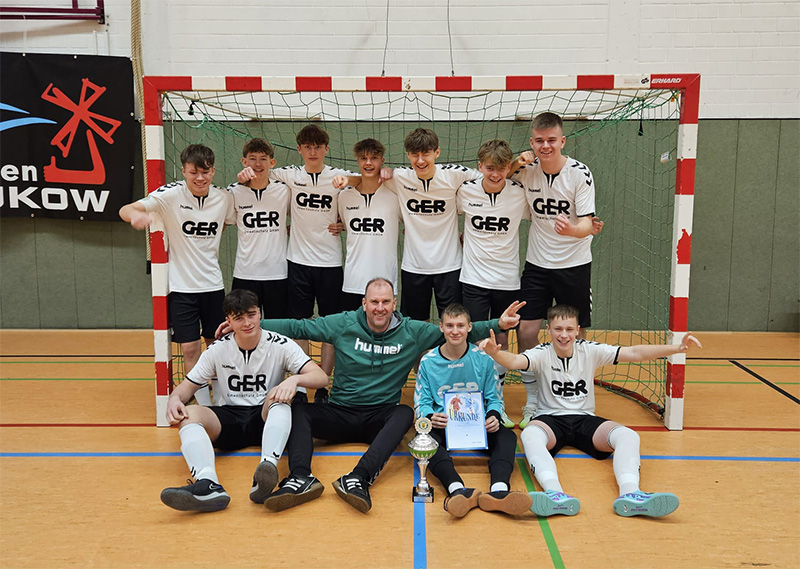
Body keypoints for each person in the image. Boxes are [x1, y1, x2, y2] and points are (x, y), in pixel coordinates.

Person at [234, 278, 523, 513]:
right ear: (364, 303)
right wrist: (252, 326)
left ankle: (358, 479)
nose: (380, 308)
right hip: (339, 411)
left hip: (380, 416)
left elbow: (458, 330)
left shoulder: (412, 331)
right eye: (374, 302)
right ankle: (300, 477)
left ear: (394, 303)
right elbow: (299, 326)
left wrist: (498, 324)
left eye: (386, 302)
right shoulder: (343, 323)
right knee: (298, 406)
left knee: (405, 413)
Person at [479, 304, 701, 518]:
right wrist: (496, 354)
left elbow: (634, 352)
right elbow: (515, 361)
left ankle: (631, 494)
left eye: (569, 329)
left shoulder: (589, 350)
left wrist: (676, 349)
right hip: (550, 420)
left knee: (628, 436)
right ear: (548, 330)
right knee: (530, 434)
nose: (563, 335)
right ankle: (554, 493)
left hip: (585, 419)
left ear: (577, 330)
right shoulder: (541, 353)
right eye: (558, 329)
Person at [159, 289, 328, 512]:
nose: (247, 323)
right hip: (230, 418)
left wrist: (294, 380)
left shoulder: (280, 344)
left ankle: (267, 468)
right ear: (228, 321)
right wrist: (174, 399)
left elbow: (321, 377)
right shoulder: (217, 349)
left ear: (259, 314)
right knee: (189, 416)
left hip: (266, 418)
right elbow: (187, 387)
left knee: (280, 396)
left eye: (251, 315)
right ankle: (207, 484)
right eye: (238, 318)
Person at [238, 124, 350, 401]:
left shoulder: (338, 177)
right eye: (307, 147)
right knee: (299, 325)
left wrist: (344, 223)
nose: (313, 152)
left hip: (330, 263)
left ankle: (322, 384)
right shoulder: (288, 175)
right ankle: (301, 384)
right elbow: (258, 174)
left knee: (328, 326)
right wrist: (243, 176)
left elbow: (360, 187)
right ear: (299, 149)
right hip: (297, 262)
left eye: (318, 147)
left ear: (326, 149)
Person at [120, 143, 235, 406]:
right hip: (182, 289)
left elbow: (226, 223)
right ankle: (203, 404)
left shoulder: (223, 198)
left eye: (205, 172)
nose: (200, 178)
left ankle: (221, 401)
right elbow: (125, 209)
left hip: (213, 285)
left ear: (213, 171)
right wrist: (135, 216)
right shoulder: (170, 195)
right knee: (190, 348)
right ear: (184, 171)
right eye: (194, 172)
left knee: (217, 345)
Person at [509, 112, 604, 428]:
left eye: (551, 140)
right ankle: (534, 398)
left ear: (562, 141)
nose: (545, 146)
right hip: (537, 265)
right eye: (539, 141)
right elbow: (496, 173)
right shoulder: (527, 171)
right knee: (526, 330)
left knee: (575, 332)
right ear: (532, 142)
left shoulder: (579, 173)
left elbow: (588, 223)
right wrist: (515, 161)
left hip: (573, 266)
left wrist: (573, 230)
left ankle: (574, 392)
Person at [414, 303, 533, 518]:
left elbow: (494, 398)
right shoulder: (428, 362)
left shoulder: (483, 359)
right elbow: (421, 402)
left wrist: (493, 415)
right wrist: (430, 416)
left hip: (478, 426)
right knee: (425, 441)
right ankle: (457, 489)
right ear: (441, 327)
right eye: (450, 325)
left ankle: (499, 491)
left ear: (469, 327)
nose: (455, 331)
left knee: (507, 437)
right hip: (444, 425)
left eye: (460, 325)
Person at [457, 139, 530, 428]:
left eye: (501, 168)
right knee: (477, 340)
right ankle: (476, 400)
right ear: (480, 167)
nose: (495, 174)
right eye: (489, 168)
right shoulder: (466, 191)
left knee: (501, 341)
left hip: (506, 280)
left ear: (508, 167)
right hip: (473, 278)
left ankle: (497, 403)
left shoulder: (519, 193)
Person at [382, 128, 480, 320]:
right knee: (416, 325)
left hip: (450, 266)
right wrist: (383, 171)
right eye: (414, 154)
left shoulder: (454, 174)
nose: (420, 160)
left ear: (437, 152)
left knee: (453, 323)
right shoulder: (399, 177)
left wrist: (473, 230)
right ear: (408, 155)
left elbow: (491, 178)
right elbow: (366, 182)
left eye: (426, 153)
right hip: (414, 266)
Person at [332, 138, 400, 312]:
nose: (368, 163)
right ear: (357, 161)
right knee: (349, 327)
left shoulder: (395, 196)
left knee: (382, 328)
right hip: (353, 281)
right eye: (363, 158)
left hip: (384, 282)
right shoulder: (344, 197)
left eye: (374, 158)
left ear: (382, 161)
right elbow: (345, 224)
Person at [227, 138, 290, 318]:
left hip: (277, 273)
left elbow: (303, 216)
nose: (258, 164)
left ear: (272, 162)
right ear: (244, 162)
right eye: (252, 158)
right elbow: (225, 222)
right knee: (243, 323)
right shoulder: (233, 191)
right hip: (245, 273)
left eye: (263, 158)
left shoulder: (284, 190)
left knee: (277, 328)